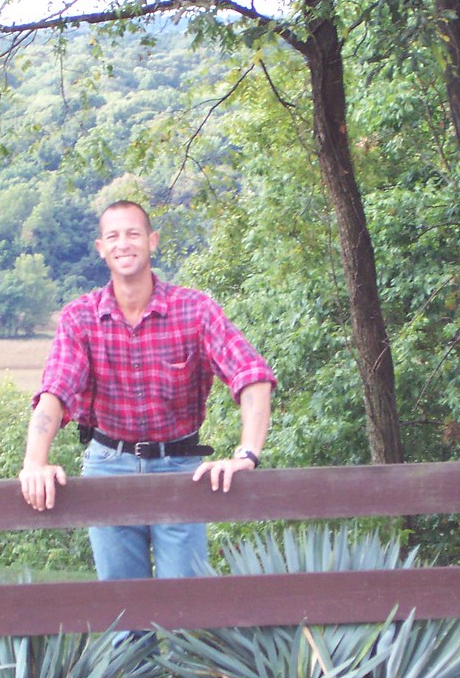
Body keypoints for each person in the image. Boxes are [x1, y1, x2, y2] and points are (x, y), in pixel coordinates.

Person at [18, 199, 276, 583]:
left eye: (133, 234)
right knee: (122, 605)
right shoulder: (80, 317)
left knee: (183, 603)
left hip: (182, 468)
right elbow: (56, 391)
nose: (123, 244)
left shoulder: (195, 309)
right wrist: (34, 463)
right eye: (113, 236)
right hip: (107, 467)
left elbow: (251, 374)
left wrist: (246, 455)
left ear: (152, 241)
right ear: (100, 248)